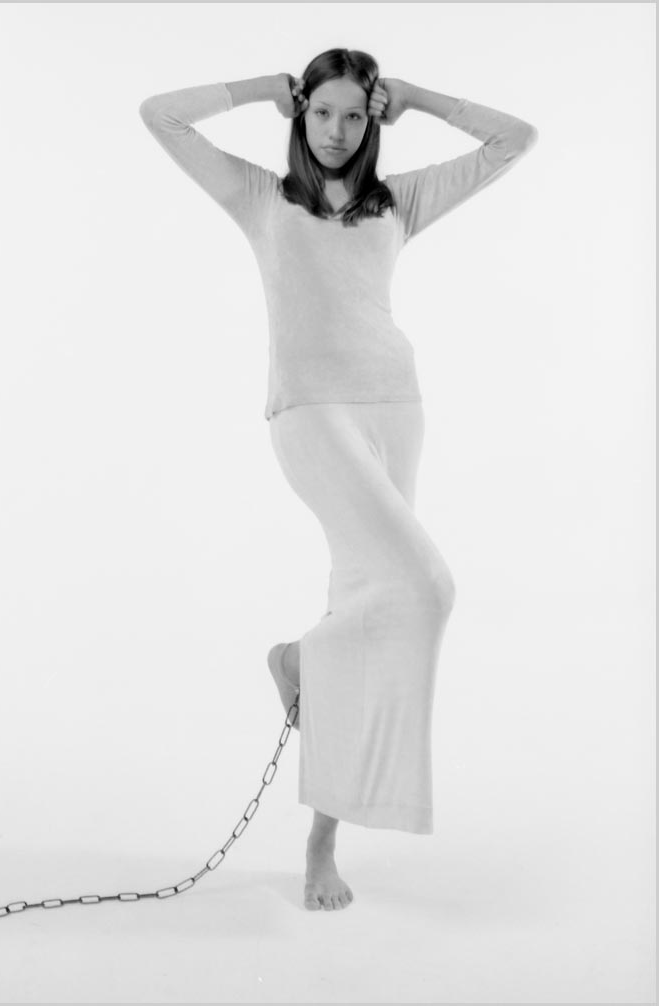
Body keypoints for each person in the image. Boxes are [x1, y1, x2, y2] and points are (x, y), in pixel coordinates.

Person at [138, 47, 538, 912]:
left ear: (372, 120)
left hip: (396, 408)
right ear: (302, 113)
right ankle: (300, 661)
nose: (336, 130)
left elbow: (516, 139)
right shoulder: (260, 197)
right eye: (321, 112)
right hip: (310, 413)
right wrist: (260, 89)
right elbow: (158, 114)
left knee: (376, 606)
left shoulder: (400, 202)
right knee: (426, 586)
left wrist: (420, 97)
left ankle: (322, 836)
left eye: (355, 114)